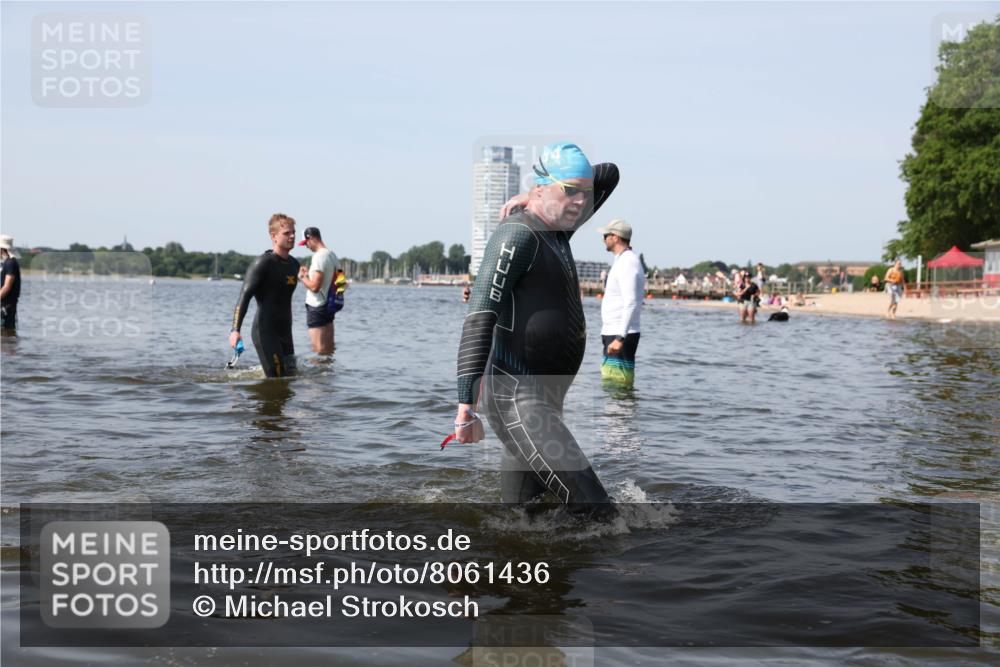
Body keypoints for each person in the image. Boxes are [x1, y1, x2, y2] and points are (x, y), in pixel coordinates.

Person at [452, 142, 619, 514]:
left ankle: (512, 567)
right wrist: (466, 406)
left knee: (523, 518)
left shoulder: (559, 228)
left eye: (585, 193)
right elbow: (480, 316)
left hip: (546, 399)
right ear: (542, 185)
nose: (580, 201)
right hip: (516, 398)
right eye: (569, 190)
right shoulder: (518, 235)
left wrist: (533, 195)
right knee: (596, 510)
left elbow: (610, 173)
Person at [229, 214, 300, 377]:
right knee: (277, 379)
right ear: (273, 236)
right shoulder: (263, 263)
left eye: (293, 232)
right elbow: (244, 297)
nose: (292, 236)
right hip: (265, 330)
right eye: (287, 233)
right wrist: (235, 330)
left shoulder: (294, 264)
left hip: (285, 331)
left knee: (291, 376)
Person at [598, 219, 644, 389]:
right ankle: (614, 415)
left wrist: (620, 338)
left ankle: (619, 415)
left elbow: (631, 302)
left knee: (618, 384)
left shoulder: (627, 263)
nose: (603, 239)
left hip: (620, 333)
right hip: (614, 331)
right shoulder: (622, 260)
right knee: (612, 383)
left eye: (606, 235)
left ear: (616, 237)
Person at [296, 226, 338, 354]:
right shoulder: (332, 255)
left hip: (317, 306)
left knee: (318, 349)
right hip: (329, 306)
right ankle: (328, 372)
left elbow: (315, 287)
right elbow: (341, 282)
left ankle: (317, 373)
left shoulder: (319, 257)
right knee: (329, 348)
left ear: (311, 238)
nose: (306, 247)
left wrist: (303, 277)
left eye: (306, 243)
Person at [0, 235, 21, 333]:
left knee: (5, 333)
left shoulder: (10, 263)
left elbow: (7, 287)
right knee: (6, 336)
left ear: (2, 249)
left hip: (7, 306)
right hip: (6, 305)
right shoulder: (8, 262)